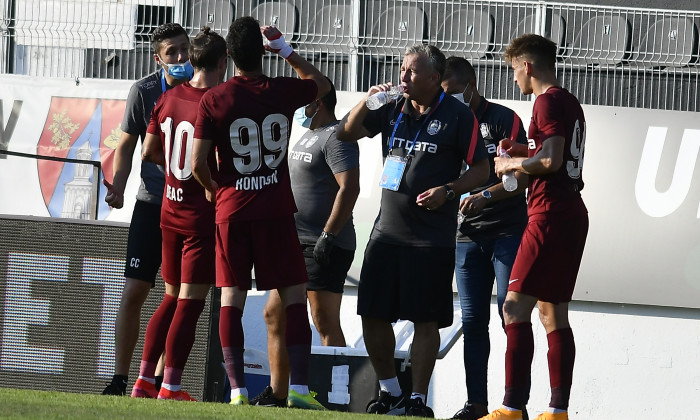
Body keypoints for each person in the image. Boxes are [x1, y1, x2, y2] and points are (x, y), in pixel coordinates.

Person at [336, 44, 490, 417]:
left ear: (435, 79)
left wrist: (450, 190)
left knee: (425, 319)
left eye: (412, 72)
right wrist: (368, 100)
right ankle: (390, 390)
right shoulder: (391, 105)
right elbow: (346, 133)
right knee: (371, 314)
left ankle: (418, 399)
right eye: (402, 69)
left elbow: (482, 170)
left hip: (430, 239)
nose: (403, 76)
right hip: (386, 232)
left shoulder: (457, 115)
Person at [191, 17, 331, 409]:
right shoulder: (282, 90)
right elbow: (322, 85)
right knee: (293, 296)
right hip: (275, 208)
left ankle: (237, 391)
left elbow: (197, 162)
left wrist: (214, 190)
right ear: (261, 52)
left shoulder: (215, 99)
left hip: (233, 210)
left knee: (231, 298)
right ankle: (300, 389)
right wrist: (286, 50)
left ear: (230, 56)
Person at [479, 34, 588, 420]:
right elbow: (545, 154)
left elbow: (552, 161)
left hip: (550, 215)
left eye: (513, 70)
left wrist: (511, 164)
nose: (513, 80)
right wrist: (521, 150)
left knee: (513, 307)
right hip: (570, 211)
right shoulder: (567, 100)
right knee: (552, 314)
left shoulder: (546, 100)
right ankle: (557, 412)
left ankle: (511, 407)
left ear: (526, 65)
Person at [251, 78, 361, 407]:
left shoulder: (337, 136)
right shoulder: (307, 133)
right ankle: (279, 391)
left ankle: (338, 395)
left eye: (305, 100)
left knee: (324, 320)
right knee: (274, 314)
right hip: (292, 241)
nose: (299, 106)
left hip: (324, 243)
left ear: (319, 103)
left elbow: (349, 188)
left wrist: (328, 235)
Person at [134, 27, 227, 401]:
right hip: (199, 216)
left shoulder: (169, 97)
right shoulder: (219, 103)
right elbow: (212, 159)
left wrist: (177, 174)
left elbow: (149, 151)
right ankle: (170, 386)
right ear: (223, 62)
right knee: (190, 301)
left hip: (168, 210)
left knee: (171, 296)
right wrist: (209, 183)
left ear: (192, 59)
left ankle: (143, 382)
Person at [102, 22, 191, 396]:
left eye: (185, 49)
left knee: (179, 294)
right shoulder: (144, 90)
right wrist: (118, 187)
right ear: (159, 58)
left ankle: (154, 379)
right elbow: (126, 145)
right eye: (173, 53)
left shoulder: (204, 86)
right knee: (135, 291)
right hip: (152, 205)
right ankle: (120, 379)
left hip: (189, 209)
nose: (182, 58)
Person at [440, 57, 530, 420]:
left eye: (453, 92)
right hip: (466, 236)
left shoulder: (506, 119)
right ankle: (476, 405)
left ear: (471, 86)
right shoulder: (443, 120)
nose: (448, 99)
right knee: (474, 321)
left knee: (511, 316)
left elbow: (520, 178)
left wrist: (485, 196)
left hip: (507, 231)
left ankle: (514, 407)